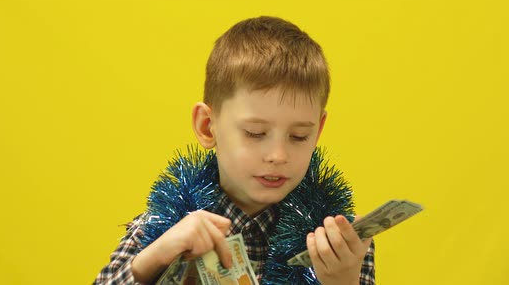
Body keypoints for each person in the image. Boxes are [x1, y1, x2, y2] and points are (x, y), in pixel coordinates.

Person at [93, 16, 375, 285]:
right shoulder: (160, 226)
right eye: (255, 133)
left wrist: (343, 281)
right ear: (206, 126)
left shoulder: (340, 242)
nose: (278, 155)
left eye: (299, 136)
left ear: (318, 131)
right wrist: (153, 258)